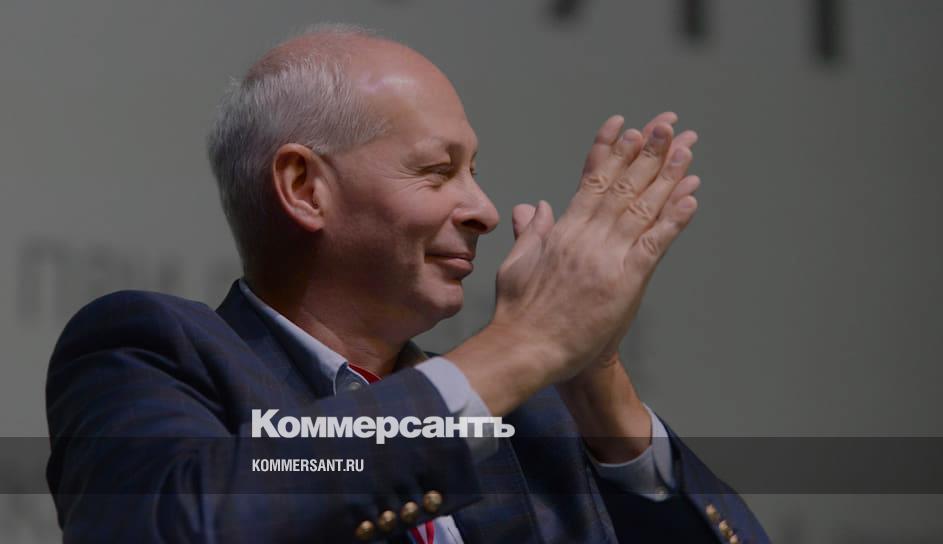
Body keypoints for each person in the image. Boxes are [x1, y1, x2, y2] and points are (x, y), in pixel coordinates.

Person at [46, 24, 769, 543]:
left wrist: (595, 376)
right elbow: (175, 524)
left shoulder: (528, 425)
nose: (484, 211)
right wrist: (526, 343)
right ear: (304, 187)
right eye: (438, 171)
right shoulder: (151, 351)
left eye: (475, 172)